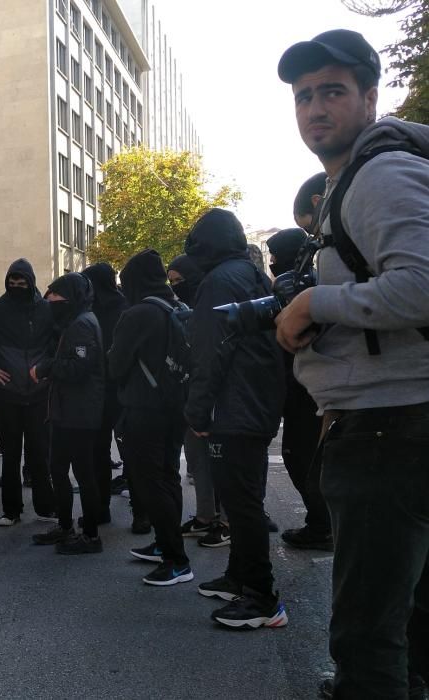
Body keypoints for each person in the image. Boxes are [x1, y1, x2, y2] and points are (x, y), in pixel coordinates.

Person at [276, 29, 429, 697]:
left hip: (385, 430)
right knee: (406, 613)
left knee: (366, 631)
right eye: (304, 96)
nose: (315, 109)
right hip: (394, 422)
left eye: (332, 92)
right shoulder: (356, 179)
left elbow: (422, 284)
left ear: (369, 99)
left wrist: (315, 300)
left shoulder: (381, 173)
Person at [183, 208, 286, 629]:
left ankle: (262, 598)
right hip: (256, 404)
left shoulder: (217, 282)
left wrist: (197, 409)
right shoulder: (254, 275)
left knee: (242, 506)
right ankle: (240, 577)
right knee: (246, 501)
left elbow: (211, 352)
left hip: (232, 408)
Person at [108, 250, 192, 584]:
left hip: (144, 408)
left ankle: (175, 559)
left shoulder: (138, 313)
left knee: (149, 481)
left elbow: (116, 365)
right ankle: (165, 544)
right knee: (169, 476)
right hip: (175, 403)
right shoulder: (177, 307)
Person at [0, 259, 57, 526]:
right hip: (7, 393)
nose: (16, 287)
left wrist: (46, 368)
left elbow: (60, 340)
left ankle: (44, 506)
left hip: (37, 392)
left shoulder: (46, 311)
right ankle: (12, 509)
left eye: (21, 283)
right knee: (12, 453)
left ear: (30, 283)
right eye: (12, 283)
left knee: (40, 452)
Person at [264, 228, 332, 551]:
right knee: (302, 457)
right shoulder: (307, 286)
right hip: (304, 389)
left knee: (302, 457)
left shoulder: (302, 292)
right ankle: (321, 522)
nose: (273, 264)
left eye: (276, 258)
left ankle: (322, 525)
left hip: (305, 391)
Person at [30, 272, 105, 554]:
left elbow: (79, 368)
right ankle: (65, 526)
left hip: (79, 413)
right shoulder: (77, 320)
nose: (50, 300)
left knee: (82, 474)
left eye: (56, 295)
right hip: (68, 411)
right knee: (59, 469)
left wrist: (46, 368)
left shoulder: (82, 324)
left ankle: (90, 535)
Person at [168, 255, 229, 548]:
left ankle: (227, 523)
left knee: (224, 464)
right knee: (197, 461)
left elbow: (210, 359)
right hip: (192, 395)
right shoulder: (188, 309)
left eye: (180, 280)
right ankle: (206, 516)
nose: (177, 287)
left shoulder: (212, 305)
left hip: (216, 397)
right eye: (172, 282)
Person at [82, 262, 128, 527]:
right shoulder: (126, 305)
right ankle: (141, 513)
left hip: (98, 389)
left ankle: (100, 507)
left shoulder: (88, 310)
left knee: (97, 450)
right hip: (123, 388)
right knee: (130, 449)